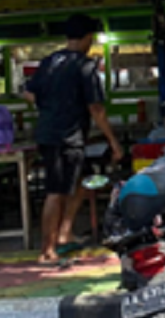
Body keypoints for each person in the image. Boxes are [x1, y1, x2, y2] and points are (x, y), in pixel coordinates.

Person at [24, 14, 123, 264]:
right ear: (88, 37)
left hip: (49, 133)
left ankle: (64, 232)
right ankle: (47, 249)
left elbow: (28, 93)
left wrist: (50, 106)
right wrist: (113, 141)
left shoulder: (49, 62)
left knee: (81, 180)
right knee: (56, 191)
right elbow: (96, 109)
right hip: (66, 137)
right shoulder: (84, 66)